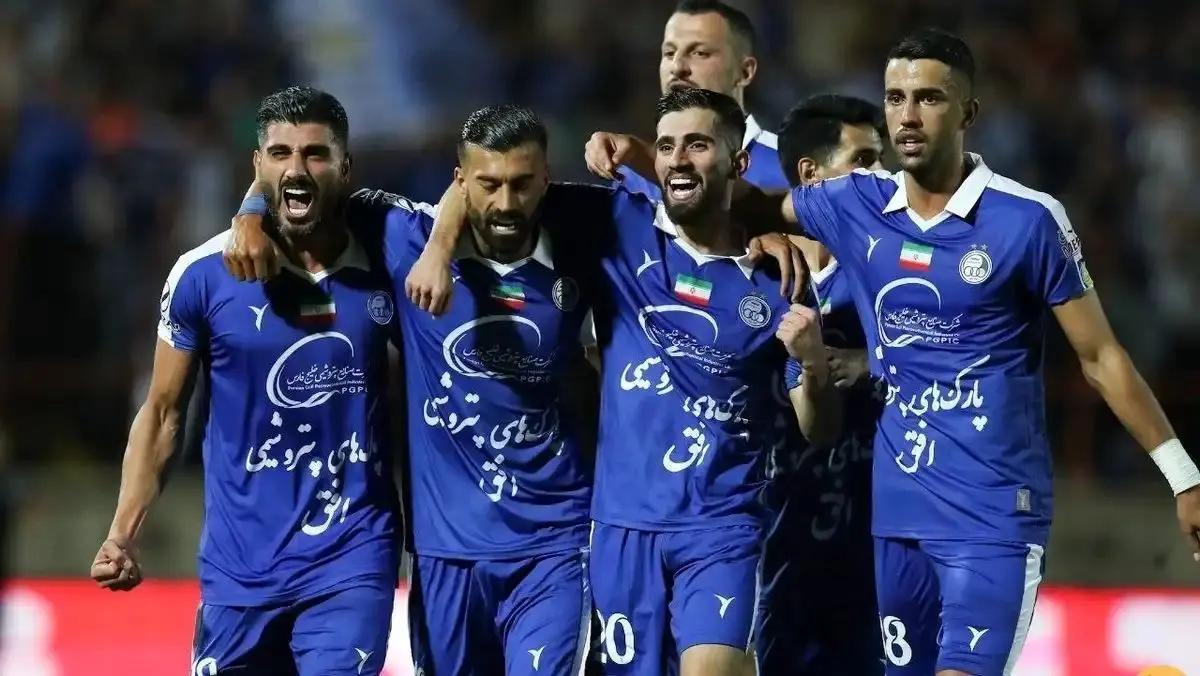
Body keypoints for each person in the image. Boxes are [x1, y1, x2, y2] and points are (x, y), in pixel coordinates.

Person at [585, 28, 1200, 676]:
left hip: (992, 516)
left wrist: (1184, 477)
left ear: (968, 112)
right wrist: (647, 158)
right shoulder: (858, 203)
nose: (908, 115)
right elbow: (741, 198)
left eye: (928, 98)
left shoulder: (1028, 220)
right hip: (895, 518)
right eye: (895, 98)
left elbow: (1101, 358)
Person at [222, 100, 807, 675]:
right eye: (488, 185)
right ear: (461, 183)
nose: (506, 203)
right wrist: (249, 214)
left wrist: (759, 235)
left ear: (545, 181)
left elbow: (695, 207)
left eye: (523, 185)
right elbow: (307, 185)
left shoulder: (584, 238)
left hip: (555, 545)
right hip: (446, 552)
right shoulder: (404, 238)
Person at [89, 86, 401, 676]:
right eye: (280, 154)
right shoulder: (200, 276)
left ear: (345, 167)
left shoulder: (392, 263)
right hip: (239, 570)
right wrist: (122, 533)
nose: (297, 169)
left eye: (315, 153)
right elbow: (163, 412)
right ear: (258, 167)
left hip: (352, 557)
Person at [757, 94, 887, 676]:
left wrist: (871, 359)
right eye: (863, 161)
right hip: (779, 542)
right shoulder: (760, 277)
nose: (881, 178)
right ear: (811, 175)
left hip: (877, 542)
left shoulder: (893, 268)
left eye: (882, 161)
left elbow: (957, 351)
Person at [589, 0, 788, 196]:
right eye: (669, 53)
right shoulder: (632, 178)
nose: (677, 67)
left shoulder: (789, 168)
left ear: (745, 71)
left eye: (699, 53)